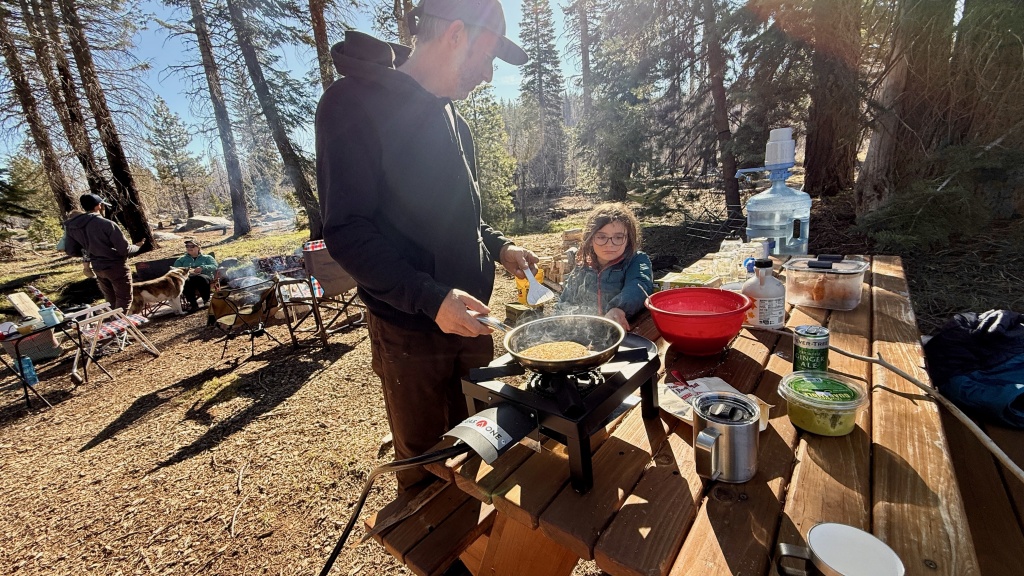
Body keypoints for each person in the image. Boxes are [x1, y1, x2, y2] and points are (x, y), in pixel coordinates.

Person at [315, 0, 537, 490]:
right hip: (411, 331)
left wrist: (501, 249)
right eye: (487, 57)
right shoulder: (351, 102)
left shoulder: (456, 123)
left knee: (481, 440)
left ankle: (478, 542)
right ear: (456, 34)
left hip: (472, 320)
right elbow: (346, 230)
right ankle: (441, 557)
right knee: (427, 463)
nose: (487, 73)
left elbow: (466, 220)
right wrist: (430, 298)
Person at [555, 203, 654, 331]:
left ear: (629, 239)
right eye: (601, 237)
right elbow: (565, 302)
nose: (610, 244)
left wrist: (619, 308)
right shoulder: (582, 267)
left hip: (626, 332)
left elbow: (640, 284)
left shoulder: (636, 260)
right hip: (586, 334)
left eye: (618, 237)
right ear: (590, 239)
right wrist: (558, 324)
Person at [64, 194, 143, 311]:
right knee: (124, 299)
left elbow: (71, 250)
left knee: (110, 300)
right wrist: (137, 247)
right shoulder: (107, 224)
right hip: (115, 266)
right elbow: (124, 249)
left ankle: (112, 324)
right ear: (98, 206)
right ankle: (119, 327)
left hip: (97, 267)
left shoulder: (72, 226)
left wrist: (91, 251)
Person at [173, 238, 217, 312]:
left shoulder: (207, 257)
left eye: (192, 246)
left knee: (201, 278)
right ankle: (193, 304)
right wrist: (187, 271)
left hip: (204, 275)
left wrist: (203, 267)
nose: (189, 248)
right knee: (185, 281)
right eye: (187, 246)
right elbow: (175, 270)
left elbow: (214, 266)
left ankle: (206, 300)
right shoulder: (181, 260)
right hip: (188, 277)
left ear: (198, 247)